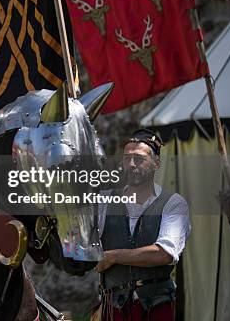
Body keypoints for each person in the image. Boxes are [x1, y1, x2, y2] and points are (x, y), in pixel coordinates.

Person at [94, 129, 191, 321]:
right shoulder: (104, 200)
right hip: (114, 307)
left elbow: (164, 253)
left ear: (156, 163)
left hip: (156, 307)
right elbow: (83, 243)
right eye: (126, 158)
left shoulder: (173, 203)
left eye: (138, 159)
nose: (131, 164)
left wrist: (113, 256)